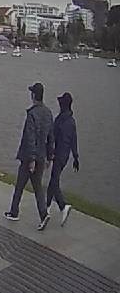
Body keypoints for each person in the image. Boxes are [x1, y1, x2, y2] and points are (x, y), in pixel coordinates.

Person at [7, 82, 53, 230]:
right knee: (38, 187)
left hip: (29, 158)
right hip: (41, 156)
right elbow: (51, 137)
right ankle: (43, 214)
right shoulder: (48, 113)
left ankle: (14, 212)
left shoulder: (32, 114)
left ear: (33, 95)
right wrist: (49, 157)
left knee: (20, 185)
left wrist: (31, 159)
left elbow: (30, 137)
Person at [45, 92, 80, 226]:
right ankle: (47, 207)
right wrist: (75, 157)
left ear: (63, 105)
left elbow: (52, 137)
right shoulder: (71, 121)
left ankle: (63, 206)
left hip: (58, 155)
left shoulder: (60, 120)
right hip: (65, 156)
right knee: (53, 180)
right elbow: (74, 141)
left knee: (54, 182)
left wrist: (49, 153)